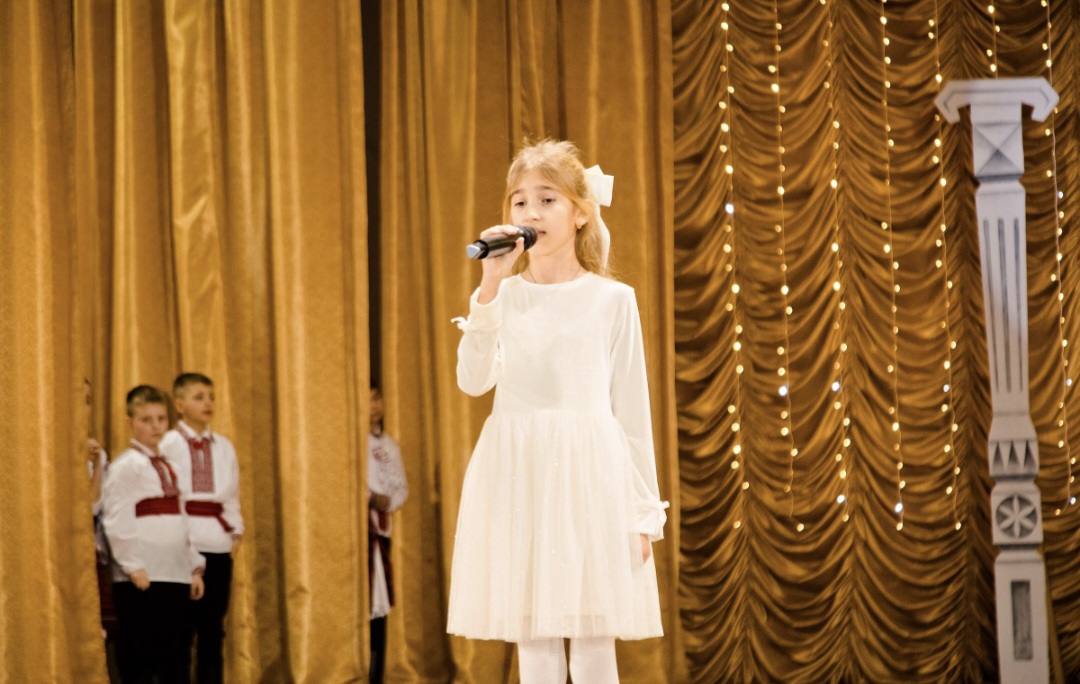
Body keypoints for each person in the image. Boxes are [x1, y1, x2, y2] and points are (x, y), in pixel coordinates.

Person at [447, 139, 668, 684]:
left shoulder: (612, 300)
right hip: (519, 476)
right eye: (520, 201)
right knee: (535, 643)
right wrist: (490, 284)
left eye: (547, 200)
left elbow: (631, 412)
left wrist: (643, 514)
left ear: (580, 212)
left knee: (593, 644)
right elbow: (473, 381)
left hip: (591, 480)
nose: (531, 213)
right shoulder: (503, 297)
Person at [102, 385, 206, 684]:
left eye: (161, 419)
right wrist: (133, 565)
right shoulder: (125, 466)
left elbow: (183, 520)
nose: (156, 426)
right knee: (140, 655)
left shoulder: (173, 466)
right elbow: (117, 519)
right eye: (146, 420)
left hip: (175, 573)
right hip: (143, 577)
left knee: (177, 654)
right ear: (130, 423)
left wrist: (193, 567)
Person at [159, 373, 244, 684]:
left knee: (213, 630)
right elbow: (166, 496)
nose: (208, 403)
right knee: (179, 631)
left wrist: (235, 532)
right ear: (179, 405)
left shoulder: (224, 446)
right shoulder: (168, 444)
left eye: (211, 397)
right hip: (181, 543)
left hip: (217, 543)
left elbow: (231, 494)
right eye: (199, 397)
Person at [367, 385, 409, 684]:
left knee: (380, 609)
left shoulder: (391, 445)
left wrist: (388, 502)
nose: (374, 405)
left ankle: (377, 674)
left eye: (377, 398)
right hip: (361, 533)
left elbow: (402, 488)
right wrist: (370, 497)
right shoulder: (355, 442)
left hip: (382, 533)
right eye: (368, 400)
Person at [85, 379, 120, 682]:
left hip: (94, 553)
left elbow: (95, 506)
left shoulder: (99, 453)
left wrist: (97, 465)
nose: (83, 408)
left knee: (102, 629)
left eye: (88, 400)